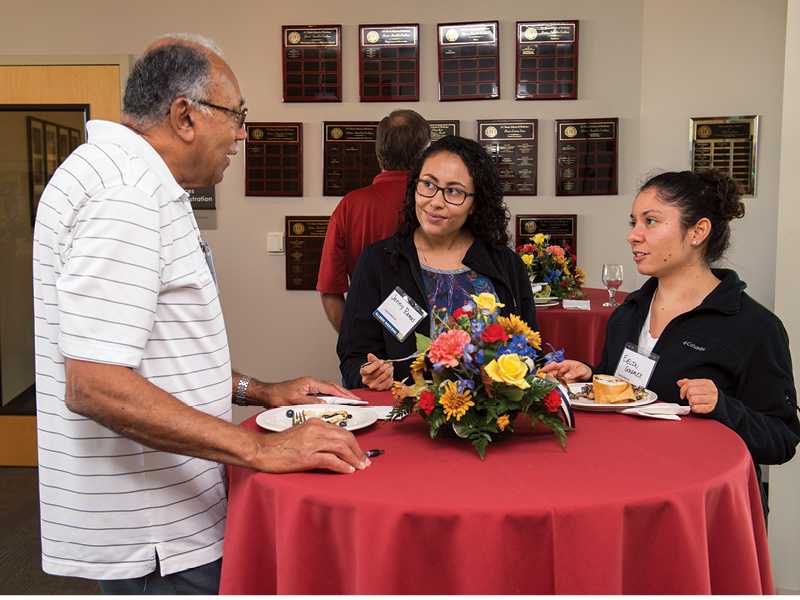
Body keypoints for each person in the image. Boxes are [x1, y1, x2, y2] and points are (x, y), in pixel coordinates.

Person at [32, 34, 369, 595]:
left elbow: (151, 352)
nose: (242, 133)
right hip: (156, 535)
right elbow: (94, 383)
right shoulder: (127, 192)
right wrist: (261, 447)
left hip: (162, 520)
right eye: (236, 115)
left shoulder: (134, 180)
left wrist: (256, 390)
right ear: (184, 116)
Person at [542, 168, 800, 515]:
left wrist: (722, 405)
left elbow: (781, 440)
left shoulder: (755, 327)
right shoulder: (627, 313)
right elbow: (628, 391)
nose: (633, 235)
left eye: (650, 221)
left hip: (700, 508)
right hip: (626, 492)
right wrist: (590, 377)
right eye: (633, 222)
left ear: (698, 232)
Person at [337, 135, 537, 390]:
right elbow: (353, 358)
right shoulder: (378, 261)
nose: (435, 202)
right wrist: (367, 373)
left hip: (490, 420)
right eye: (429, 185)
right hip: (404, 417)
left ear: (475, 204)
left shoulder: (505, 264)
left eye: (454, 191)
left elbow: (530, 350)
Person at [317, 109, 431, 332]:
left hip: (369, 342)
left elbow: (329, 291)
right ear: (425, 153)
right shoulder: (441, 202)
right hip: (434, 340)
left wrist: (356, 346)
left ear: (379, 152)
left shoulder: (349, 206)